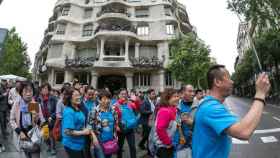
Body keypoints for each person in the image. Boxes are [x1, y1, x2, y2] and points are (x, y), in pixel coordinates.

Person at [192, 65, 271, 158]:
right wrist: (261, 93)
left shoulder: (209, 104)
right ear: (217, 82)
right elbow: (244, 131)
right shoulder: (211, 108)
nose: (232, 82)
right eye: (229, 78)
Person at [10, 81, 46, 158]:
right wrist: (19, 132)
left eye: (30, 91)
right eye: (26, 91)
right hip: (22, 137)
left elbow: (41, 122)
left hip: (34, 137)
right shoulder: (17, 104)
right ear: (21, 92)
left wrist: (36, 119)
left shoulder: (34, 104)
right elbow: (12, 120)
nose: (28, 94)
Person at [87, 89, 119, 158]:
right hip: (99, 141)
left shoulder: (113, 110)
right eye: (104, 99)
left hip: (110, 141)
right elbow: (89, 126)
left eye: (108, 99)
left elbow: (115, 123)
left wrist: (115, 136)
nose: (107, 101)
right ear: (99, 100)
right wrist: (94, 137)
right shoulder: (94, 111)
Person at [62, 88, 91, 158]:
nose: (79, 97)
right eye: (76, 95)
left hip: (79, 143)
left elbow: (80, 123)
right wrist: (84, 132)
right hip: (72, 145)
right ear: (70, 98)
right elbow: (67, 131)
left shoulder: (78, 107)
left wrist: (86, 128)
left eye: (79, 95)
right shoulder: (69, 111)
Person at [153, 88, 180, 158]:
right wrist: (169, 143)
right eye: (174, 96)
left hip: (167, 146)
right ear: (167, 98)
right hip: (163, 147)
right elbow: (160, 129)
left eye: (178, 96)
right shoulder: (165, 111)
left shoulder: (173, 109)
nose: (177, 98)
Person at [114, 88, 137, 158]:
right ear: (119, 95)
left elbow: (136, 111)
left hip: (130, 128)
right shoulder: (115, 105)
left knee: (132, 146)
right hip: (121, 129)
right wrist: (116, 126)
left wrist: (135, 102)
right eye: (122, 94)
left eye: (125, 94)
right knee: (119, 148)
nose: (124, 95)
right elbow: (114, 118)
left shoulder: (130, 103)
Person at [36, 83, 58, 155]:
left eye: (46, 89)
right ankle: (49, 145)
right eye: (43, 88)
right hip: (43, 120)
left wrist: (52, 116)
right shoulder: (38, 98)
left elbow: (57, 110)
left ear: (49, 90)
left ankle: (53, 148)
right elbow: (36, 110)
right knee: (45, 136)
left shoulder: (53, 98)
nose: (44, 90)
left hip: (51, 119)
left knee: (51, 135)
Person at [138, 89, 156, 154]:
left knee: (146, 135)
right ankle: (149, 151)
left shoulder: (153, 101)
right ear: (148, 94)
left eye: (154, 94)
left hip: (151, 121)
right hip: (146, 121)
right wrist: (150, 112)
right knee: (149, 136)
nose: (154, 95)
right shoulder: (145, 101)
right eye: (153, 94)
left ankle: (141, 144)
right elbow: (142, 111)